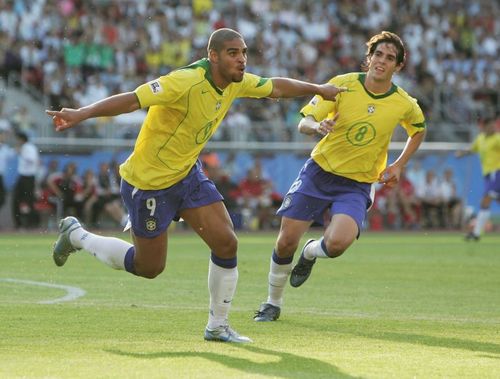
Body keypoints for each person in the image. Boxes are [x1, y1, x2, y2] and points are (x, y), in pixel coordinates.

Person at [45, 28, 345, 343]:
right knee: (149, 267)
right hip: (149, 183)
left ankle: (217, 326)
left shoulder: (236, 81)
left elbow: (276, 87)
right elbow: (134, 99)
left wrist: (318, 88)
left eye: (243, 52)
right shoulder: (184, 81)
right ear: (212, 56)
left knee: (227, 243)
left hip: (187, 175)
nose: (241, 59)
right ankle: (78, 236)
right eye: (233, 53)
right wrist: (83, 113)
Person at [253, 31, 426, 322]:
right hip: (318, 173)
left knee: (337, 244)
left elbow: (418, 129)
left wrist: (399, 165)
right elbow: (304, 121)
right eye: (378, 55)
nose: (381, 62)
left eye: (390, 58)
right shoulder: (342, 85)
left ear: (398, 67)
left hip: (357, 183)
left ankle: (310, 253)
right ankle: (272, 302)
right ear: (368, 58)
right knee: (284, 242)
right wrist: (316, 127)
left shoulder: (403, 102)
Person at [456, 117, 500, 241]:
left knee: (484, 201)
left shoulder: (497, 139)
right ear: (483, 127)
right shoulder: (480, 139)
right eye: (490, 126)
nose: (493, 128)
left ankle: (476, 233)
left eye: (494, 126)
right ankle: (476, 233)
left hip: (496, 173)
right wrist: (462, 153)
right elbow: (472, 149)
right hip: (488, 175)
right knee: (491, 201)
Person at [12, 131, 40, 229]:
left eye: (17, 139)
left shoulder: (29, 147)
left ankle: (30, 223)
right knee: (17, 200)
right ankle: (19, 223)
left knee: (28, 200)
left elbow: (32, 160)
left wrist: (21, 153)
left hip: (28, 177)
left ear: (21, 139)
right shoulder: (24, 147)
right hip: (23, 176)